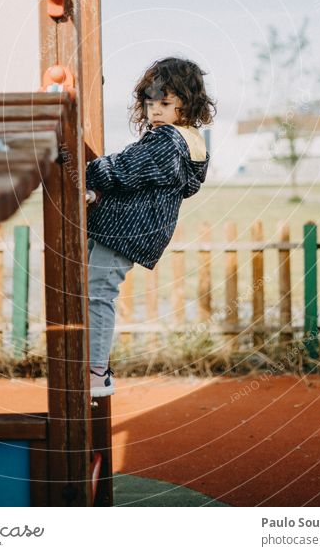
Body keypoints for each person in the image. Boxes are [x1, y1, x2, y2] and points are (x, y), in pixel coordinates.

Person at [85, 56, 216, 396]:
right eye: (149, 103)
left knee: (98, 294)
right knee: (92, 290)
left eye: (165, 103)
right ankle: (93, 363)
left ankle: (96, 370)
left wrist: (84, 172)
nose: (155, 110)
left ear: (185, 104)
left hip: (122, 231)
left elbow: (125, 168)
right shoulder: (188, 142)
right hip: (129, 227)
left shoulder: (166, 142)